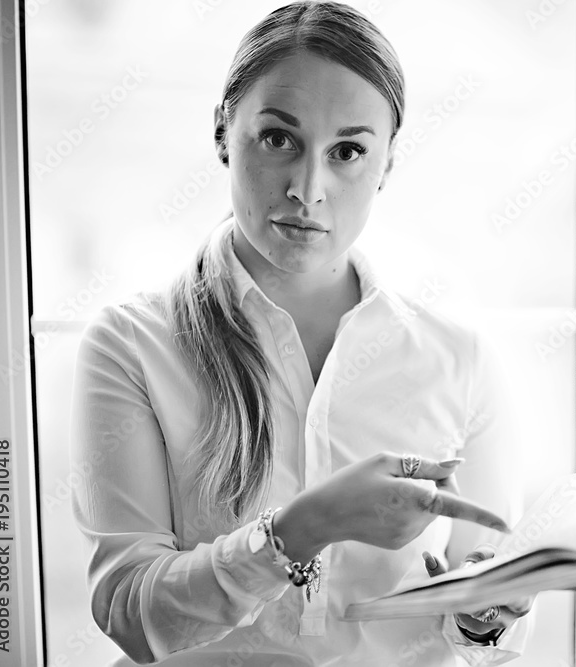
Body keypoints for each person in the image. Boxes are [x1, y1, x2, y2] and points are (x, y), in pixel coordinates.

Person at [70, 2, 533, 665]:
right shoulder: (130, 346)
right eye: (278, 139)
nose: (308, 189)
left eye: (348, 151)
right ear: (223, 132)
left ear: (387, 164)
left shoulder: (459, 358)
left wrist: (486, 614)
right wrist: (302, 528)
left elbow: (487, 627)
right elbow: (131, 614)